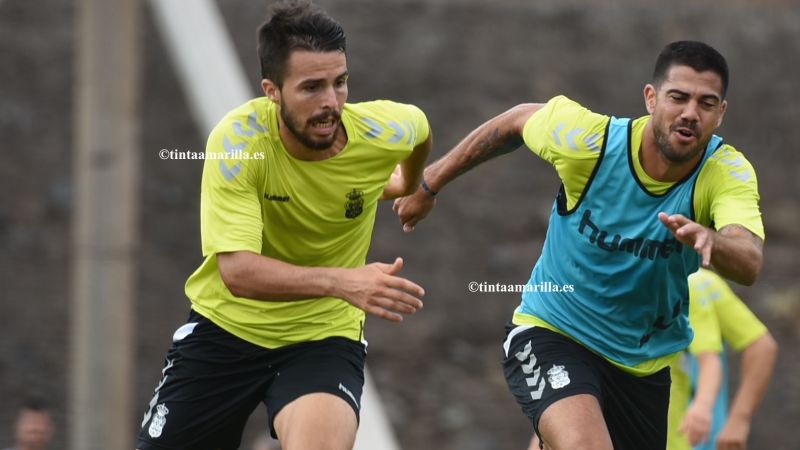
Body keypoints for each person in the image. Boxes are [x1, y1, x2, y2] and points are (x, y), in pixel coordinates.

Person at [394, 40, 764, 450]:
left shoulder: (725, 172)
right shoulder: (589, 142)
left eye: (706, 103)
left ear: (721, 112)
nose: (691, 113)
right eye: (678, 97)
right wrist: (428, 184)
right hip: (553, 331)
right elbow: (516, 121)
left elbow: (749, 260)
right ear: (651, 98)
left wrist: (714, 240)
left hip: (642, 367)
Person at [135, 2, 432, 449]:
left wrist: (410, 187)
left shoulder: (382, 130)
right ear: (272, 91)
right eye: (311, 87)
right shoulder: (239, 142)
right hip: (226, 330)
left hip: (322, 338)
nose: (330, 103)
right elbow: (238, 272)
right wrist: (344, 282)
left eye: (339, 82)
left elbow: (420, 132)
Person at [667, 268, 777, 450]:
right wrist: (738, 421)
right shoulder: (702, 281)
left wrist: (737, 419)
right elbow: (762, 346)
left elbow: (760, 347)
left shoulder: (691, 284)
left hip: (689, 433)